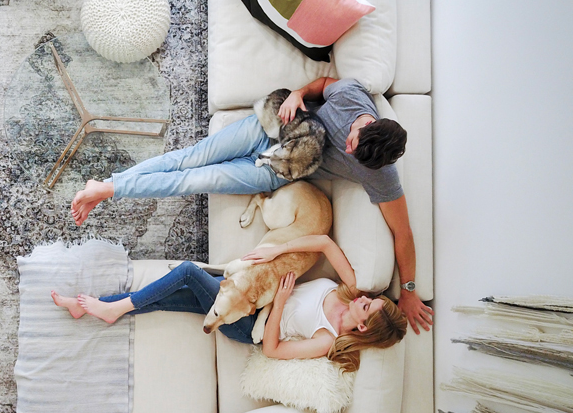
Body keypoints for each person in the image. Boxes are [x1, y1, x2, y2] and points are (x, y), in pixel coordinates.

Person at [69, 76, 433, 334]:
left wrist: (411, 292)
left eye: (356, 156)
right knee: (190, 159)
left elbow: (402, 232)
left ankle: (108, 190)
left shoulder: (381, 174)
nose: (349, 150)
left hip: (279, 171)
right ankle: (107, 186)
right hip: (273, 127)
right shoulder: (352, 96)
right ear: (367, 123)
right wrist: (297, 94)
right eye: (352, 141)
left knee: (196, 180)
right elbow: (323, 83)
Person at [51, 233, 406, 370]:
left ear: (362, 326)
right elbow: (326, 243)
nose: (363, 298)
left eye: (367, 306)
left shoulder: (327, 339)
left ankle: (113, 309)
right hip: (252, 295)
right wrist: (279, 249)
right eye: (370, 300)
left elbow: (273, 350)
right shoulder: (348, 288)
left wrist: (281, 303)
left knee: (188, 273)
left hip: (247, 324)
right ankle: (89, 306)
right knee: (171, 296)